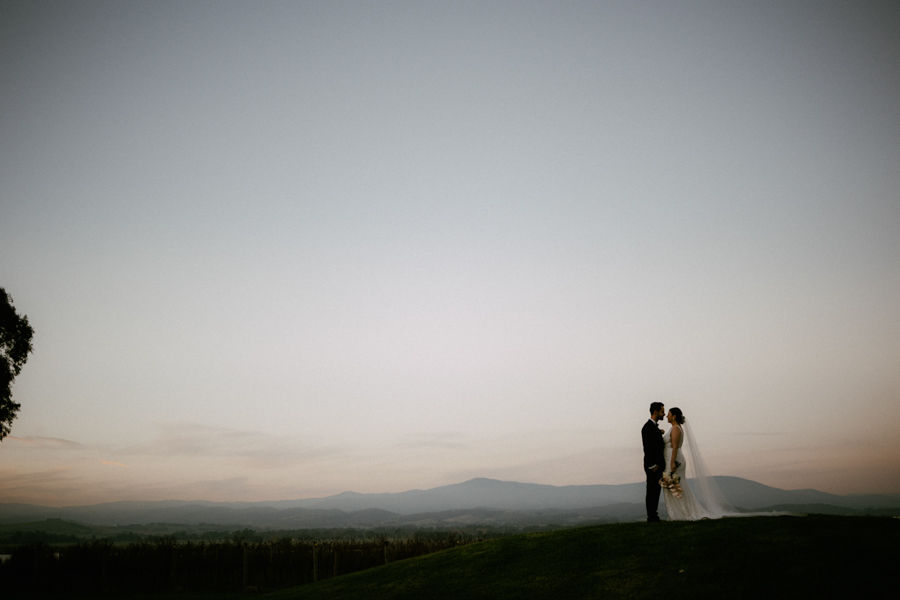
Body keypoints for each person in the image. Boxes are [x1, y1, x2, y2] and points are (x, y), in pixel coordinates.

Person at [660, 407, 736, 520]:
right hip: (669, 459)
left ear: (674, 416)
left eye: (669, 414)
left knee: (678, 486)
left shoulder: (676, 429)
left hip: (673, 460)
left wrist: (672, 463)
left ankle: (687, 512)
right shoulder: (673, 428)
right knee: (673, 486)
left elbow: (675, 447)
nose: (667, 416)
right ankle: (677, 513)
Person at [641, 402, 666, 522]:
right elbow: (648, 448)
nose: (664, 414)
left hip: (657, 465)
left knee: (655, 490)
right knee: (652, 490)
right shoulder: (647, 427)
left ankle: (653, 515)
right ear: (655, 412)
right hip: (653, 466)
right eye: (662, 411)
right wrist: (653, 465)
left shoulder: (653, 427)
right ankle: (651, 516)